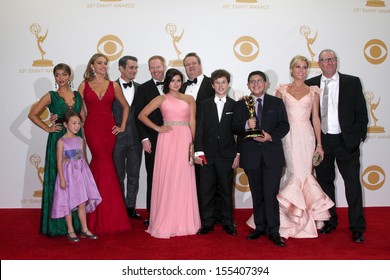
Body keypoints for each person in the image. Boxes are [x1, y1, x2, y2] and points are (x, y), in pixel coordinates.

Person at [305, 49, 368, 243]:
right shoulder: (310, 84)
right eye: (325, 60)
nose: (329, 62)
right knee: (325, 185)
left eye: (331, 59)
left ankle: (357, 227)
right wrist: (314, 143)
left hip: (346, 142)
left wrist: (356, 138)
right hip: (322, 143)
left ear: (336, 62)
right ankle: (330, 221)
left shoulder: (352, 82)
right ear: (320, 63)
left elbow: (361, 114)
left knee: (353, 186)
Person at [274, 55, 334, 239]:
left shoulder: (313, 90)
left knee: (306, 174)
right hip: (288, 136)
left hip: (307, 136)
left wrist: (319, 144)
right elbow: (276, 116)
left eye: (304, 67)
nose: (301, 70)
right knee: (294, 173)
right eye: (297, 67)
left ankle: (310, 217)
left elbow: (316, 118)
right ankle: (290, 218)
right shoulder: (282, 90)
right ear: (291, 69)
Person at [138, 68, 201, 239]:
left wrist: (194, 144)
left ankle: (184, 221)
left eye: (179, 80)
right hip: (167, 140)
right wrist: (158, 127)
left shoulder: (189, 99)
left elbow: (193, 121)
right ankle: (166, 220)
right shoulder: (161, 98)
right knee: (168, 177)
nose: (176, 83)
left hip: (185, 139)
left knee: (183, 178)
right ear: (167, 82)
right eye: (173, 80)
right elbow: (142, 115)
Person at [232, 71, 289, 247]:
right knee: (257, 194)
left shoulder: (277, 102)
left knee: (270, 194)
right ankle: (260, 227)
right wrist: (245, 125)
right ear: (248, 85)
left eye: (259, 81)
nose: (256, 84)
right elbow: (234, 127)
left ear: (265, 84)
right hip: (251, 156)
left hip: (272, 155)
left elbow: (284, 125)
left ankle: (274, 230)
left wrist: (270, 136)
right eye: (252, 82)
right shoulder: (241, 104)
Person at [28, 63, 84, 236]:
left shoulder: (77, 95)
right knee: (60, 179)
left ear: (70, 76)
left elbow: (82, 119)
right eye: (57, 75)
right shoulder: (51, 96)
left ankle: (78, 225)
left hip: (75, 139)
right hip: (58, 139)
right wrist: (48, 127)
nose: (60, 78)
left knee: (75, 180)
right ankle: (59, 225)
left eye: (64, 74)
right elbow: (32, 114)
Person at [78, 53, 131, 234]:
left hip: (109, 130)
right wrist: (83, 123)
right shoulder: (83, 85)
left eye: (105, 63)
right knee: (102, 164)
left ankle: (101, 214)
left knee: (105, 164)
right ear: (92, 65)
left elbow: (126, 106)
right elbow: (79, 109)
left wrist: (121, 126)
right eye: (99, 63)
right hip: (92, 130)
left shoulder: (113, 85)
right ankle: (97, 214)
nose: (103, 66)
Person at [194, 69, 239, 236]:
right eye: (217, 83)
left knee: (226, 190)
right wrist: (198, 152)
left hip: (227, 155)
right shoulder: (204, 105)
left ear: (228, 84)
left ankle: (227, 222)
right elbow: (199, 130)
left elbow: (239, 132)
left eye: (223, 82)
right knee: (207, 189)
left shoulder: (235, 105)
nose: (221, 86)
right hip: (207, 154)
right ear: (212, 85)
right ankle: (207, 222)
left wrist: (238, 154)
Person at [181, 52, 221, 222]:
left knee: (211, 178)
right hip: (183, 137)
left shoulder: (212, 83)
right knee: (189, 177)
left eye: (194, 63)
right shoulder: (180, 87)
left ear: (200, 65)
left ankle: (216, 215)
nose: (191, 67)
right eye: (187, 64)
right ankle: (195, 214)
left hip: (208, 138)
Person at [51, 111, 102, 242]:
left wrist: (87, 178)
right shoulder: (61, 141)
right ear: (65, 124)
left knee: (82, 203)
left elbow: (83, 160)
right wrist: (62, 179)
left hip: (80, 175)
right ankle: (70, 230)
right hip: (67, 176)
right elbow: (59, 162)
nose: (77, 126)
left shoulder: (80, 140)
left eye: (79, 123)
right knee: (67, 202)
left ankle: (85, 229)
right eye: (73, 123)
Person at [133, 55, 166, 226]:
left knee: (172, 176)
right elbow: (137, 116)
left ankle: (170, 211)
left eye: (158, 66)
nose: (156, 70)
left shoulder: (176, 85)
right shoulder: (143, 89)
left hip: (173, 138)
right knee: (153, 176)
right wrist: (144, 138)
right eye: (152, 67)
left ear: (164, 66)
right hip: (152, 139)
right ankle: (152, 213)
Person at [113, 55, 142, 220]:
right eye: (131, 67)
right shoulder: (110, 87)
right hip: (116, 138)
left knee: (134, 175)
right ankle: (119, 206)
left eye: (136, 68)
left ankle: (130, 207)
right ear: (121, 68)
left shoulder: (140, 88)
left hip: (136, 139)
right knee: (118, 175)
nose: (134, 71)